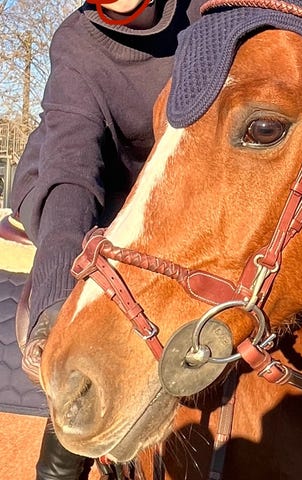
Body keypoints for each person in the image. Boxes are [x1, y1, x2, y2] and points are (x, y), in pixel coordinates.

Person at [11, 0, 202, 478]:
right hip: (85, 186)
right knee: (96, 305)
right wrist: (56, 304)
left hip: (172, 186)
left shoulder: (209, 12)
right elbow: (72, 172)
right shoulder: (77, 42)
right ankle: (61, 466)